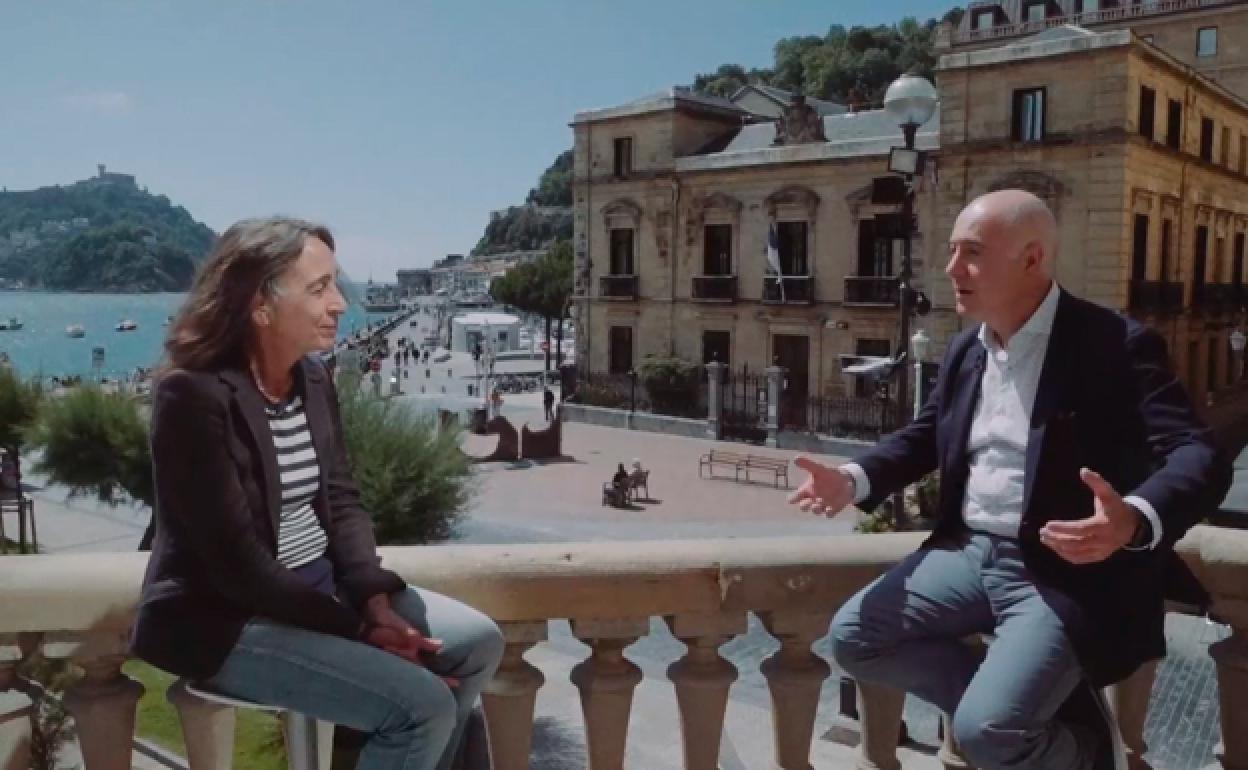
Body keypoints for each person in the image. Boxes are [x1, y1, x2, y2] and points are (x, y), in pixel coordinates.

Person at [790, 190, 1230, 770]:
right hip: (968, 553)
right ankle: (1031, 712)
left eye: (972, 253)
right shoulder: (965, 350)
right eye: (952, 250)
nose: (951, 268)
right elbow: (927, 437)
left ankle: (1085, 753)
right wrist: (853, 479)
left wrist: (1133, 518)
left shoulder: (1114, 345)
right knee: (854, 639)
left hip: (1062, 573)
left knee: (986, 731)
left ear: (1032, 259)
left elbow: (1198, 453)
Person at [131, 217, 504, 770]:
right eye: (319, 288)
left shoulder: (312, 379)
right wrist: (361, 632)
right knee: (420, 707)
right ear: (260, 305)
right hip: (228, 621)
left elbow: (342, 498)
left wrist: (374, 600)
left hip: (326, 598)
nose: (340, 304)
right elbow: (236, 565)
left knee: (478, 642)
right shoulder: (191, 396)